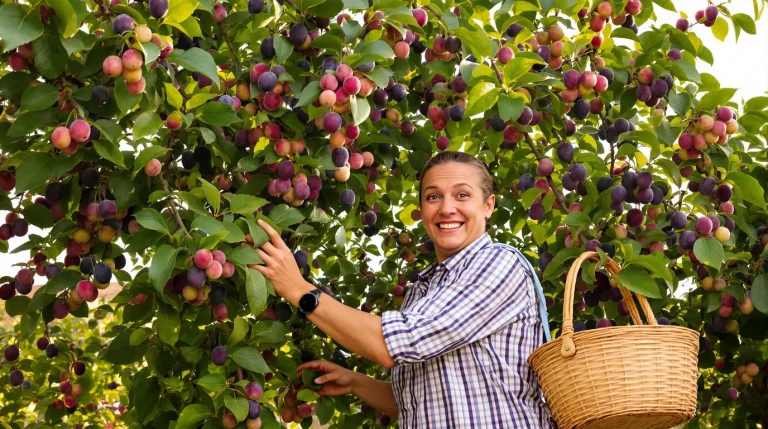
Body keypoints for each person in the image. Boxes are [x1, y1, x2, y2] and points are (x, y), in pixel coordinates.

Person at [252, 151, 555, 428]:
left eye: (462, 194)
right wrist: (355, 382)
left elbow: (395, 343)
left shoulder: (499, 264)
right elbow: (420, 403)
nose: (447, 208)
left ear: (488, 206)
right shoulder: (422, 289)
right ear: (422, 209)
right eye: (433, 197)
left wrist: (298, 290)